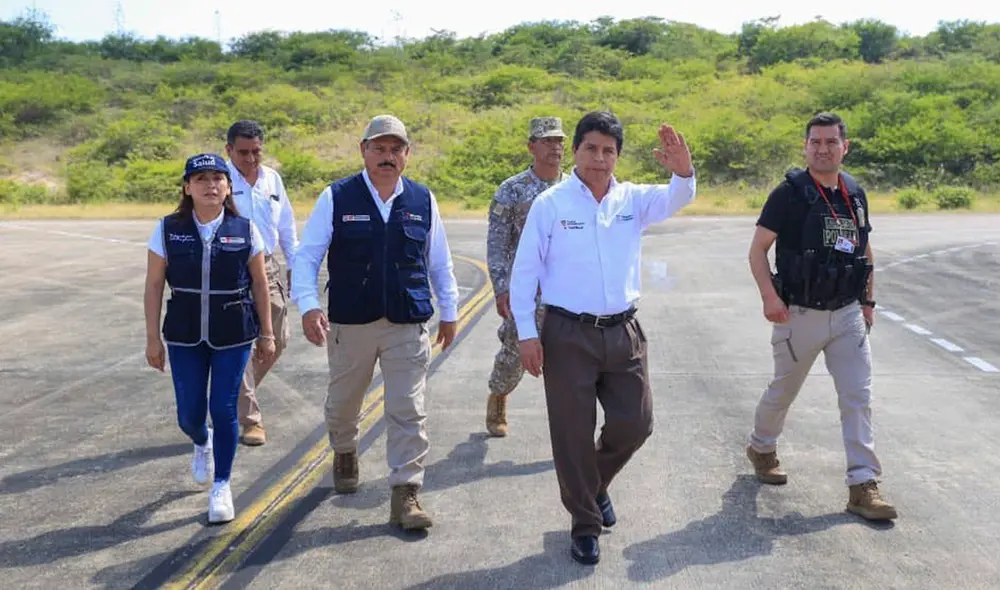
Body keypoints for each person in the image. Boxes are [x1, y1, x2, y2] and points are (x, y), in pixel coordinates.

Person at [509, 111, 696, 565]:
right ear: (575, 151)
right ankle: (585, 523)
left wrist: (683, 170)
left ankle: (592, 487)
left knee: (636, 423)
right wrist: (527, 335)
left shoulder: (632, 199)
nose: (599, 158)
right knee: (572, 435)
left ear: (618, 156)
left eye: (608, 151)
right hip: (567, 334)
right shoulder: (551, 205)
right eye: (590, 148)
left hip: (623, 331)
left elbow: (678, 196)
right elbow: (524, 273)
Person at [290, 114, 460, 531]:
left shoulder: (423, 200)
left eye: (395, 149)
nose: (388, 157)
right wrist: (310, 306)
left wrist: (450, 310)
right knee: (344, 403)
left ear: (407, 154)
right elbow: (307, 257)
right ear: (363, 150)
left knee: (408, 408)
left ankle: (406, 493)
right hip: (352, 323)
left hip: (407, 322)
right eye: (379, 148)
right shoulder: (337, 197)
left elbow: (439, 261)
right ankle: (345, 449)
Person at [745, 111, 897, 521]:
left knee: (857, 396)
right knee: (784, 390)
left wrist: (867, 303)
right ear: (806, 146)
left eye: (832, 142)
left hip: (847, 314)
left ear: (844, 147)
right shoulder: (789, 194)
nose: (823, 149)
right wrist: (768, 298)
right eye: (816, 142)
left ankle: (862, 484)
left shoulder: (854, 193)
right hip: (798, 312)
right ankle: (761, 447)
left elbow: (864, 251)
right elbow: (757, 250)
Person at [143, 152, 276, 524]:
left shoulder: (245, 228)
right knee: (189, 415)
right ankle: (202, 443)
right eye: (201, 179)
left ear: (228, 186)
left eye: (218, 178)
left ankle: (222, 484)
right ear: (187, 187)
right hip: (184, 333)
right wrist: (152, 339)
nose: (211, 185)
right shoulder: (167, 229)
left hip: (233, 331)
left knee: (224, 406)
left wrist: (267, 333)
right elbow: (154, 285)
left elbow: (260, 283)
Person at [484, 116, 568, 437]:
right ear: (531, 146)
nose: (554, 148)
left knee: (569, 360)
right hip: (526, 291)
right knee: (514, 352)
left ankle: (570, 422)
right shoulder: (512, 190)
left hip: (566, 291)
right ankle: (498, 395)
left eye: (559, 141)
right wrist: (502, 287)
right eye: (547, 141)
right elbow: (497, 243)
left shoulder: (575, 187)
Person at [225, 119, 299, 447]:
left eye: (256, 152)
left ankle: (229, 395)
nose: (251, 159)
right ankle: (250, 418)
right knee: (240, 341)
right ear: (229, 150)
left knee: (276, 338)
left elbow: (287, 226)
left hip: (267, 265)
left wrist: (295, 266)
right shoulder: (219, 180)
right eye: (243, 152)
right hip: (231, 268)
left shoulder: (272, 179)